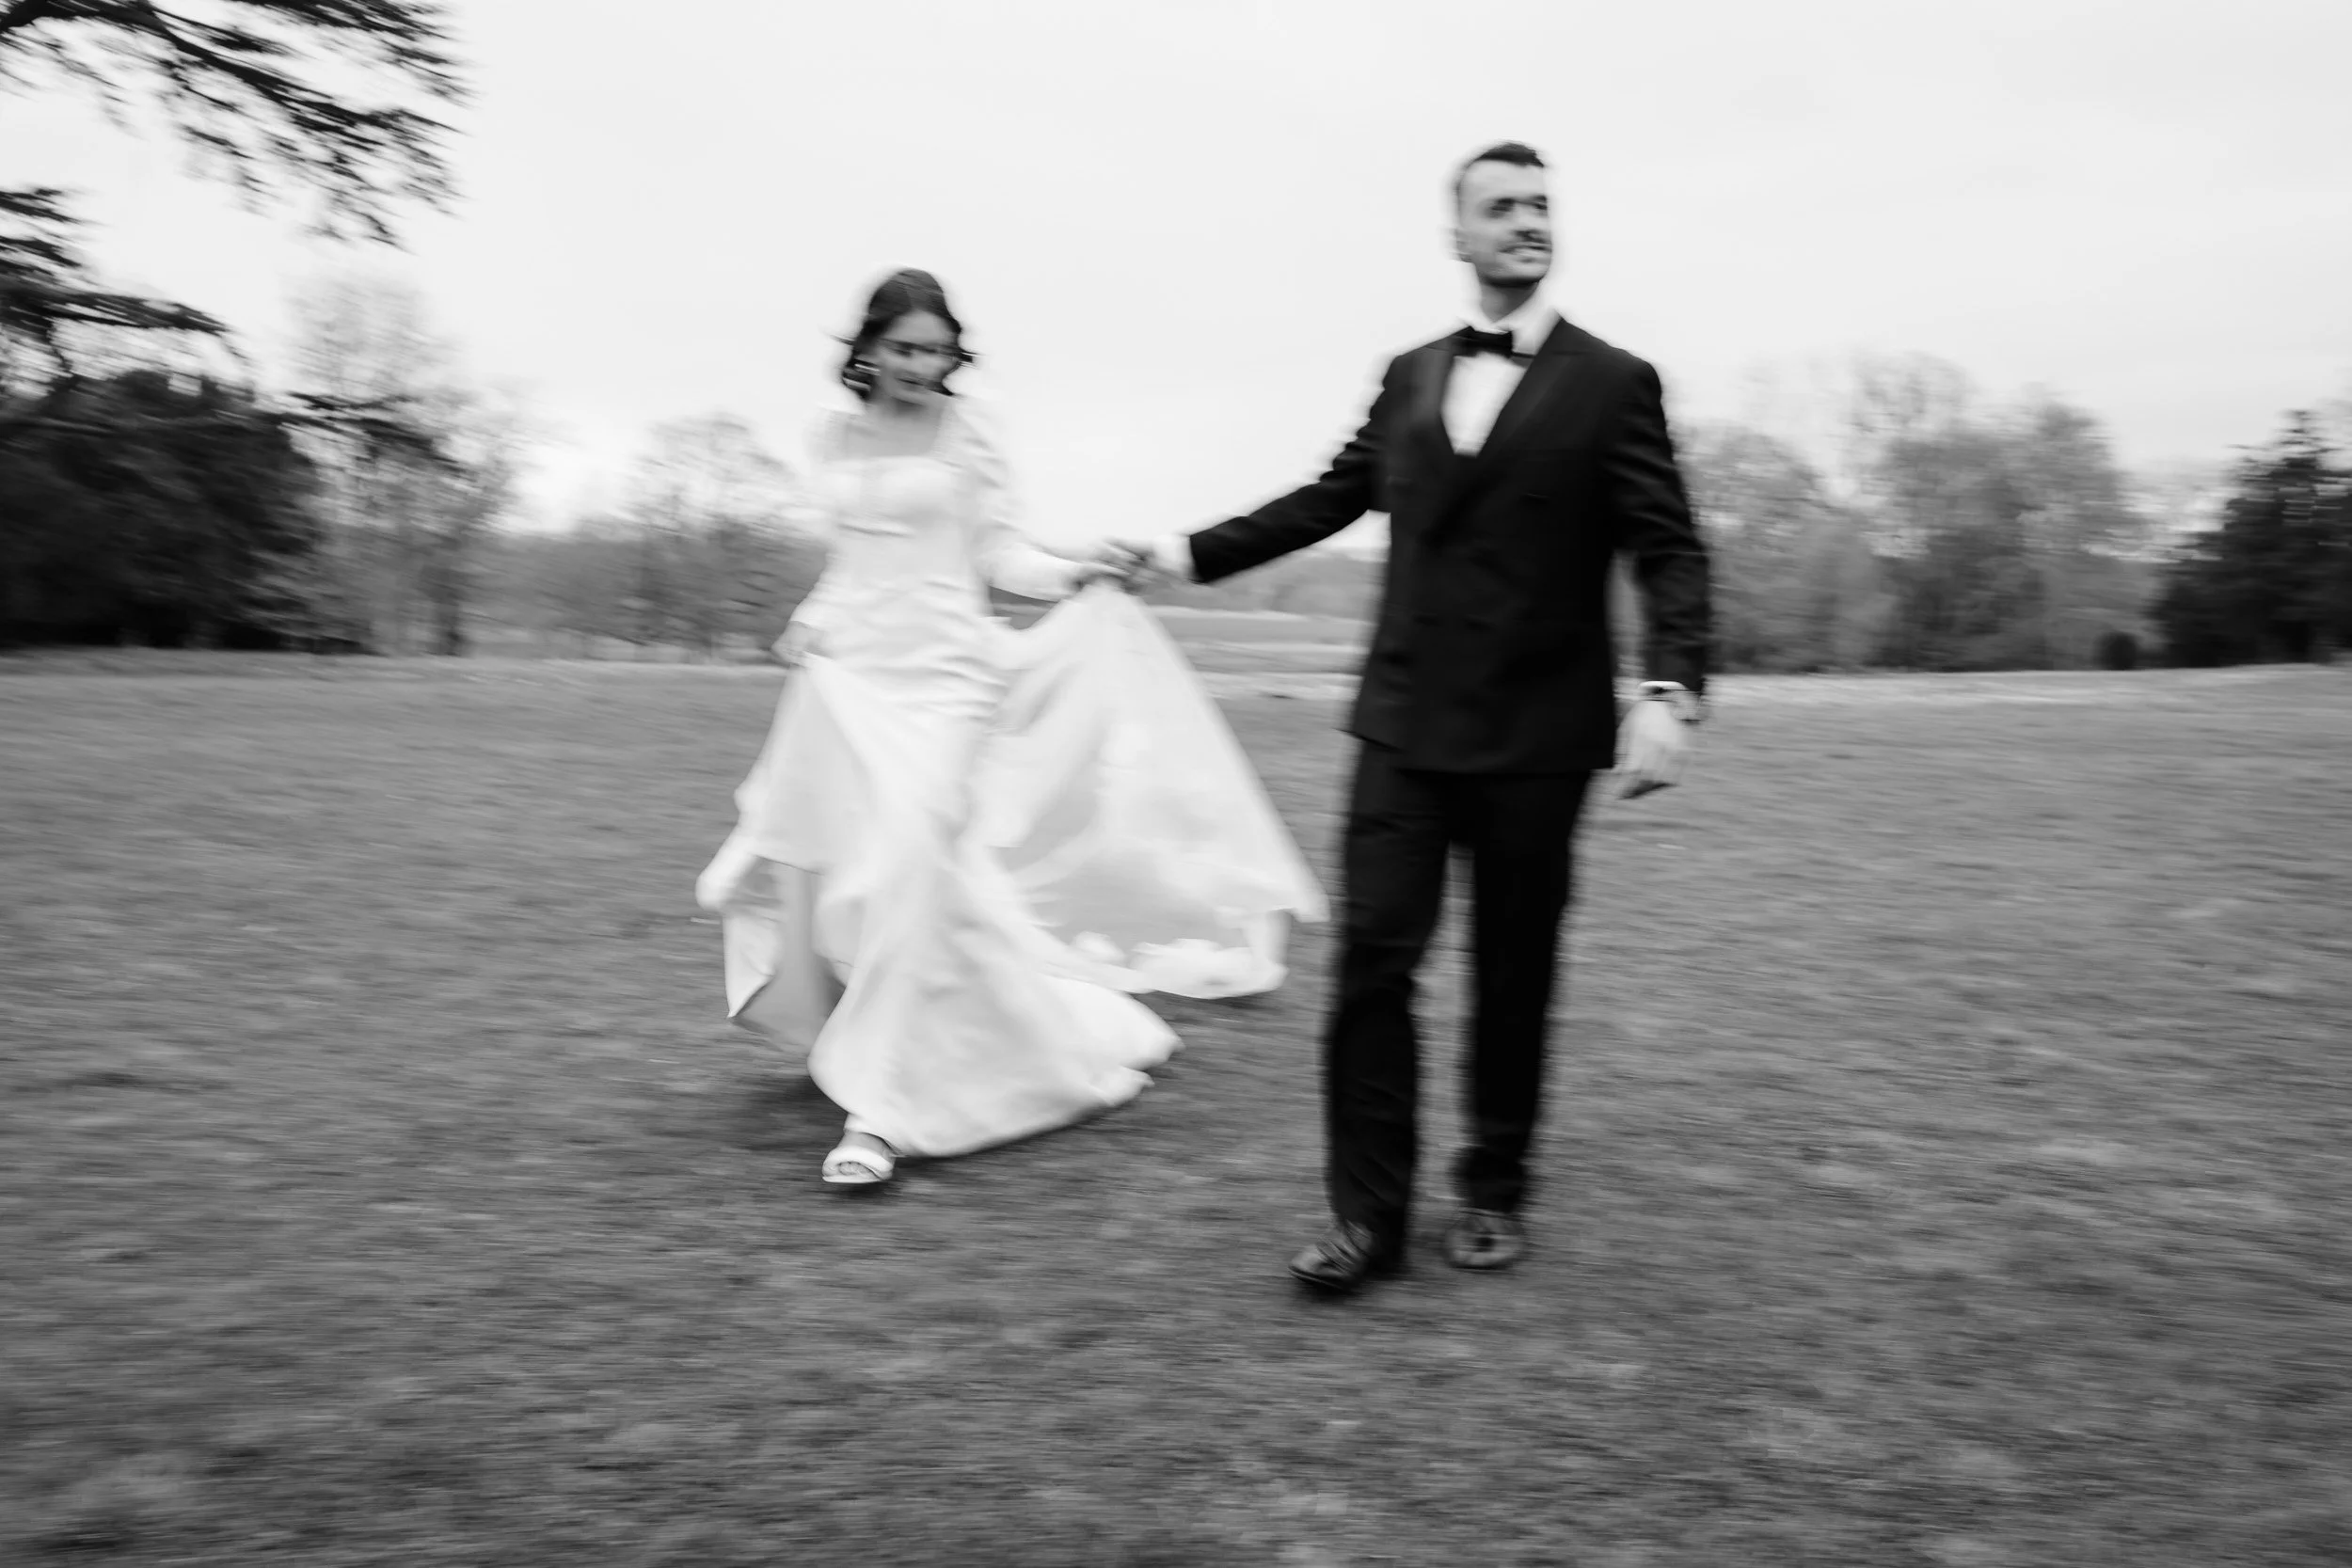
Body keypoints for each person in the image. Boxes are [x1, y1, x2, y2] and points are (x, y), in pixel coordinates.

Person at [1104, 143, 1712, 1292]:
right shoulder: (1408, 375)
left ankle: (1490, 1186)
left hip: (1541, 734)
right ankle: (1365, 1219)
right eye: (1502, 207)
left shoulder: (1613, 382)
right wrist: (1181, 554)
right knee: (1372, 966)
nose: (1527, 222)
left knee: (1510, 966)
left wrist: (1670, 689)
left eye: (1540, 205)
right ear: (1459, 235)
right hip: (1404, 725)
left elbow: (1667, 547)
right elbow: (1328, 498)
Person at [697, 269, 1325, 1188]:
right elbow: (856, 553)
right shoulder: (828, 433)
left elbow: (996, 554)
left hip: (946, 682)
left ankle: (881, 1111)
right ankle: (881, 1034)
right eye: (905, 346)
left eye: (937, 349)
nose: (922, 365)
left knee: (913, 860)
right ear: (866, 348)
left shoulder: (968, 436)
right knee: (833, 867)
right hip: (845, 678)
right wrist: (813, 615)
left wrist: (1073, 572)